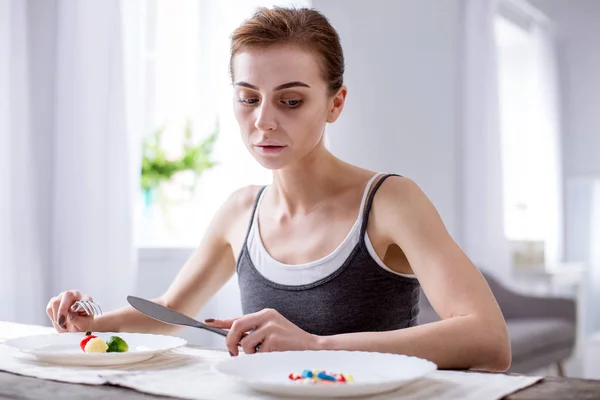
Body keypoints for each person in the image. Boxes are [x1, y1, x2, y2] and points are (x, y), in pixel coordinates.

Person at [46, 6, 511, 372]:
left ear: (335, 103)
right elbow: (170, 310)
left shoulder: (389, 201)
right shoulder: (240, 211)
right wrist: (90, 325)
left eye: (291, 101)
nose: (263, 121)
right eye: (248, 98)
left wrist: (316, 346)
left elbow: (489, 340)